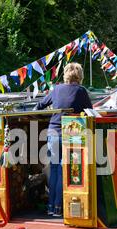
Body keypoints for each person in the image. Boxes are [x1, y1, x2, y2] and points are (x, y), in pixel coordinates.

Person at [34, 62, 92, 217]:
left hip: (52, 132)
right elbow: (90, 112)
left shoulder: (57, 89)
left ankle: (51, 207)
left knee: (54, 169)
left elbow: (39, 106)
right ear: (79, 76)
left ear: (66, 74)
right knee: (63, 169)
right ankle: (59, 208)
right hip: (70, 133)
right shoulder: (81, 91)